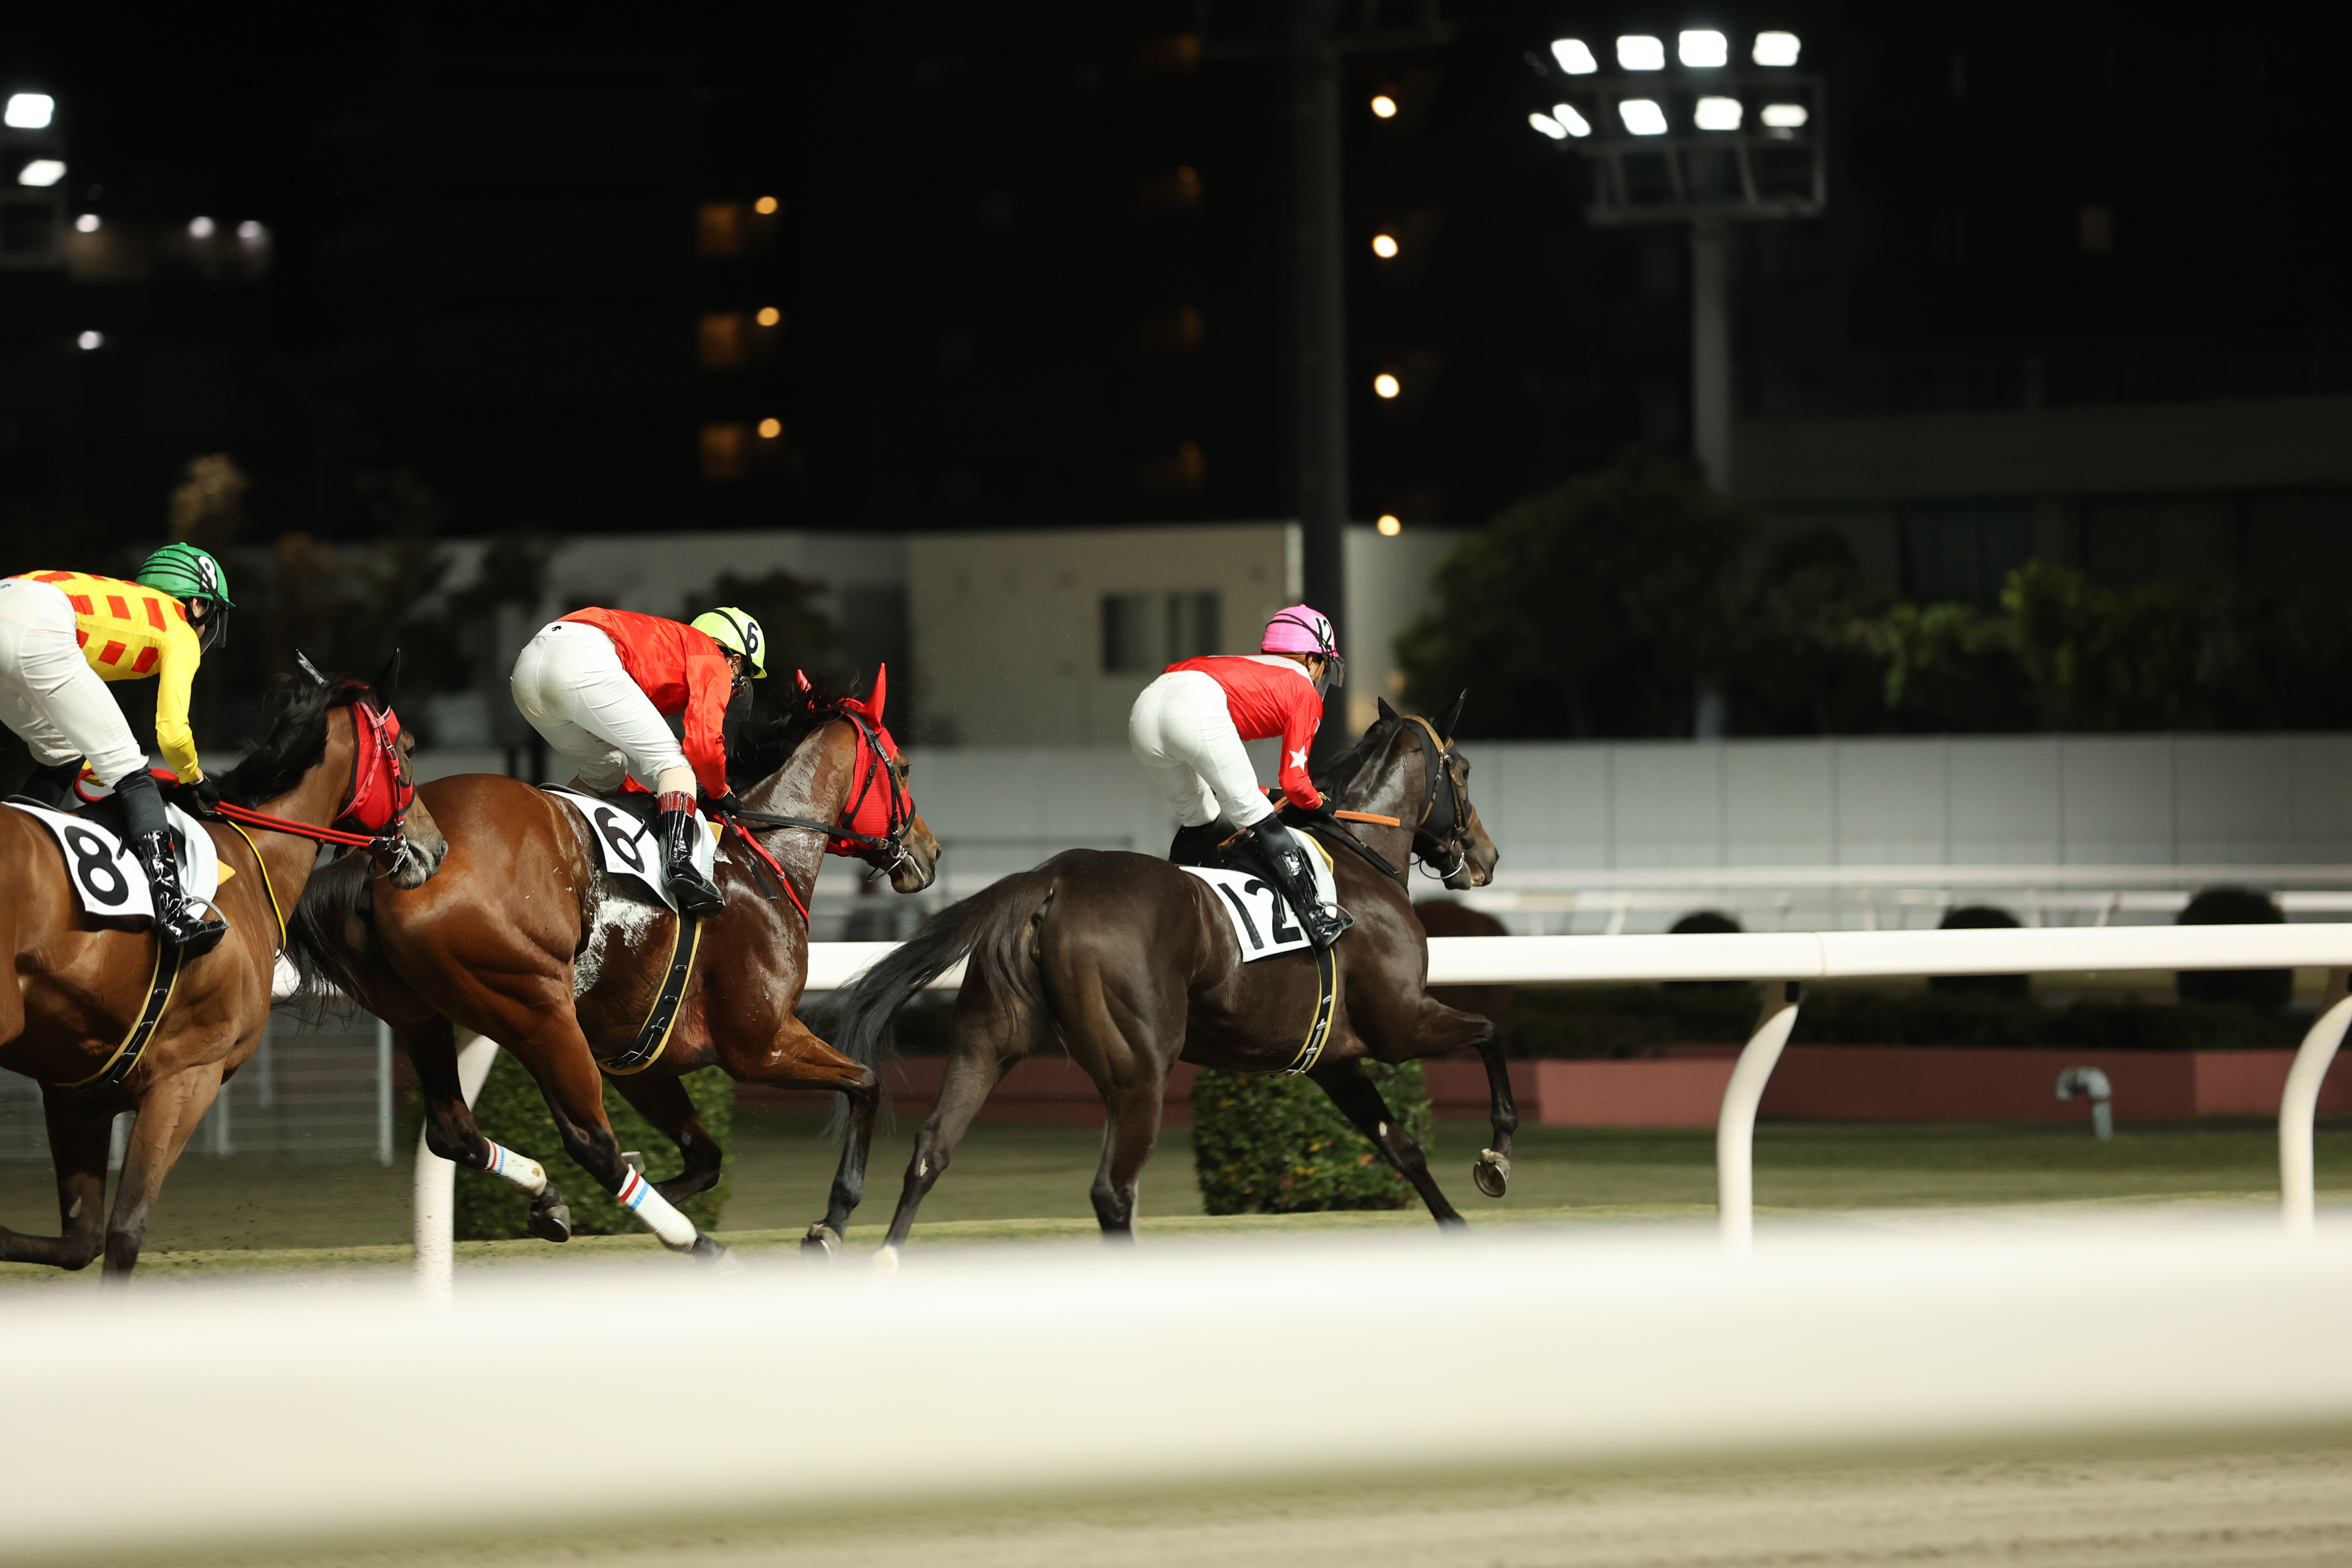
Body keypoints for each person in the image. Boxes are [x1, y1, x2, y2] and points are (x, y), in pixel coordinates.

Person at [0, 544, 235, 953]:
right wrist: (193, 777)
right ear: (196, 605)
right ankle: (175, 914)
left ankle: (13, 868)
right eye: (210, 615)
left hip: (15, 595)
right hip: (45, 623)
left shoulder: (126, 602)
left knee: (63, 758)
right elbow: (173, 734)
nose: (206, 629)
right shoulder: (179, 628)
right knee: (132, 772)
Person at [508, 604, 766, 915]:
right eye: (743, 678)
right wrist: (720, 792)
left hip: (528, 666)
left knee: (604, 771)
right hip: (583, 657)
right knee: (675, 762)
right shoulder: (711, 656)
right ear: (735, 661)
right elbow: (703, 745)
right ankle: (680, 867)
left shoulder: (672, 648)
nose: (737, 689)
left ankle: (545, 850)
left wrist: (654, 799)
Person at [1127, 603, 1352, 947]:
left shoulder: (1247, 671)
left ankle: (1168, 911)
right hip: (1194, 708)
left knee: (1199, 816)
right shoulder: (1303, 689)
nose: (1322, 676)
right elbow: (1295, 783)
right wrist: (1316, 802)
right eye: (1323, 665)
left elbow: (1219, 776)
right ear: (1311, 659)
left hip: (1144, 709)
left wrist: (1264, 792)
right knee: (1260, 819)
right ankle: (1318, 919)